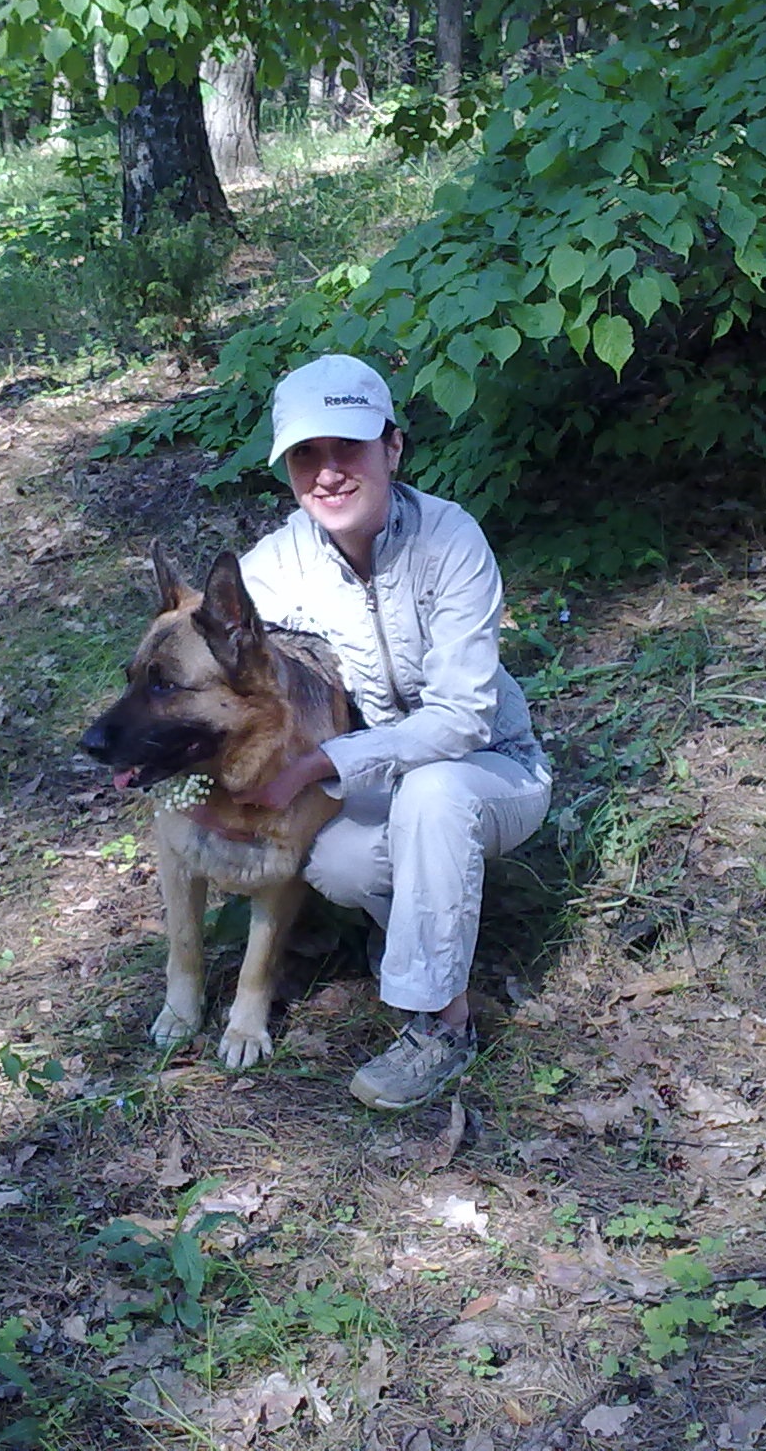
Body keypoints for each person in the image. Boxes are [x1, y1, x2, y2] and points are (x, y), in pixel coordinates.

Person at [235, 354, 552, 1111]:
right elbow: (210, 646)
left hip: (493, 770)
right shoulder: (277, 565)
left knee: (436, 795)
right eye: (306, 456)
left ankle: (443, 1023)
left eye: (348, 447)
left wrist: (320, 762)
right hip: (381, 784)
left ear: (393, 448)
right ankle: (419, 930)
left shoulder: (450, 538)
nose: (327, 474)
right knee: (336, 861)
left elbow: (462, 718)